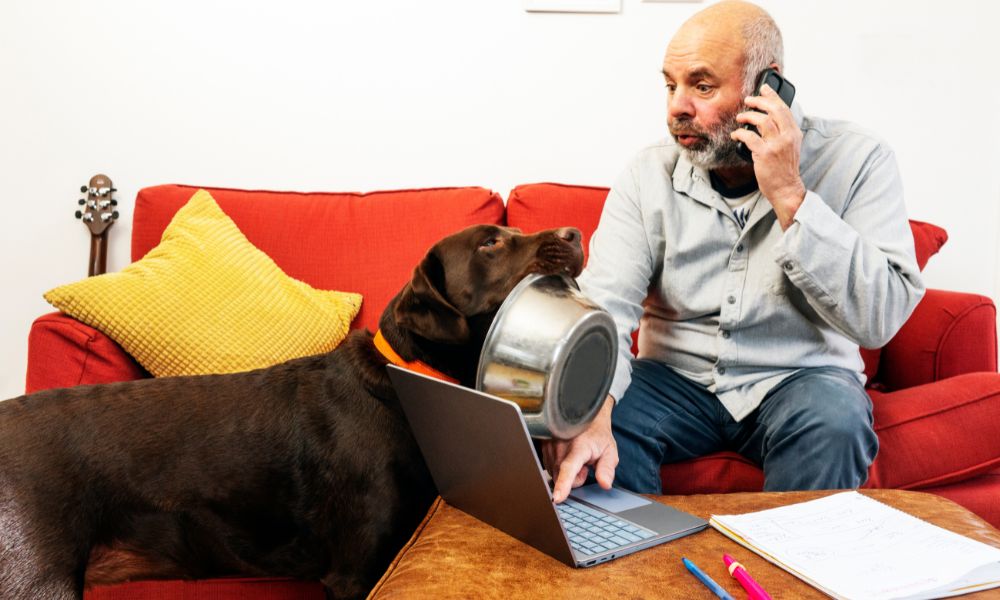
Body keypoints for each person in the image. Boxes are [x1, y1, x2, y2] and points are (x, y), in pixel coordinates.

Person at [542, 0, 925, 503]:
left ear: (767, 88)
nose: (677, 106)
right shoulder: (645, 174)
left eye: (701, 86)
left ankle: (789, 580)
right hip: (672, 380)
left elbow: (880, 319)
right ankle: (626, 572)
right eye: (670, 84)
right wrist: (591, 410)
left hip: (801, 378)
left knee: (836, 421)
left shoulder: (859, 160)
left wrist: (791, 196)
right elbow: (604, 309)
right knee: (590, 429)